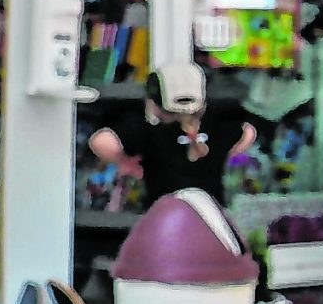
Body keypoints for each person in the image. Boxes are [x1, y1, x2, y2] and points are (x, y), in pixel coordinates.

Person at [88, 64, 255, 204]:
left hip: (165, 219)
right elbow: (248, 132)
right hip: (212, 218)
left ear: (155, 103)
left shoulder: (150, 132)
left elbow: (101, 141)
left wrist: (125, 162)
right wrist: (226, 154)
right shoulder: (218, 124)